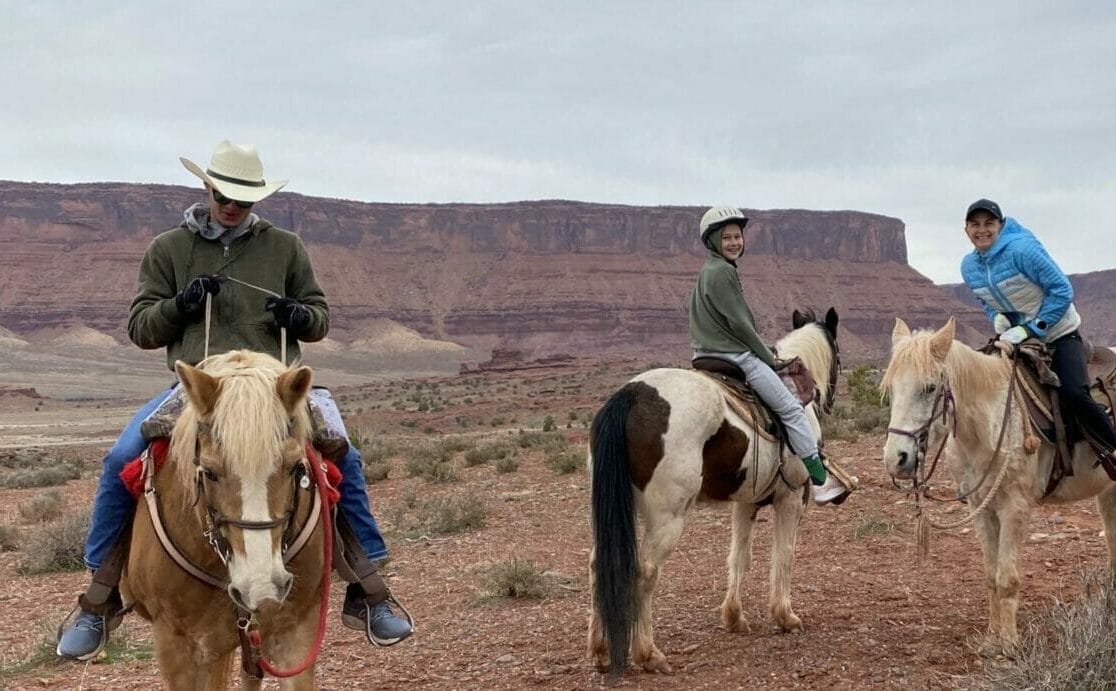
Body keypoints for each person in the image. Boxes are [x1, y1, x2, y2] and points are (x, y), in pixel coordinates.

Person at [57, 140, 413, 660]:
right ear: (208, 188)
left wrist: (298, 315)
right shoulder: (169, 248)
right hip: (201, 387)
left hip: (272, 387)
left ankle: (368, 588)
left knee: (344, 455)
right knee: (119, 461)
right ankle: (100, 598)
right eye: (225, 195)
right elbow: (140, 328)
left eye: (244, 200)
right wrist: (180, 306)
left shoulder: (285, 247)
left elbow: (319, 318)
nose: (232, 206)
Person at [688, 206, 851, 504]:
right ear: (712, 240)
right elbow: (740, 325)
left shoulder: (707, 272)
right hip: (735, 357)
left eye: (737, 236)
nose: (735, 242)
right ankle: (820, 481)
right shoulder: (723, 271)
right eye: (727, 238)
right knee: (792, 410)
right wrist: (767, 355)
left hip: (703, 354)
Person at [961, 198, 1116, 460]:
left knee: (1074, 392)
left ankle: (1111, 445)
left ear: (1001, 225)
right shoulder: (969, 267)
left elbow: (1062, 290)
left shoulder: (1022, 250)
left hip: (1059, 333)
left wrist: (1031, 329)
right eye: (975, 224)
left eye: (989, 223)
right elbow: (984, 299)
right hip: (1017, 339)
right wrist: (997, 317)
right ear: (966, 230)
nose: (982, 230)